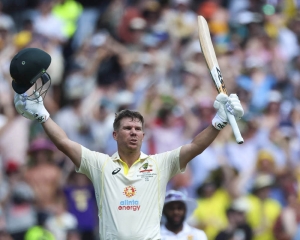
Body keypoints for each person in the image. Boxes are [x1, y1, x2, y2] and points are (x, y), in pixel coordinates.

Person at [11, 47, 244, 239]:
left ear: (143, 135)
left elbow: (194, 147)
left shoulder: (158, 164)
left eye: (138, 129)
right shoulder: (100, 165)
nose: (133, 132)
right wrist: (42, 115)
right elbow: (64, 142)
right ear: (115, 135)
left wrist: (219, 122)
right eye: (127, 128)